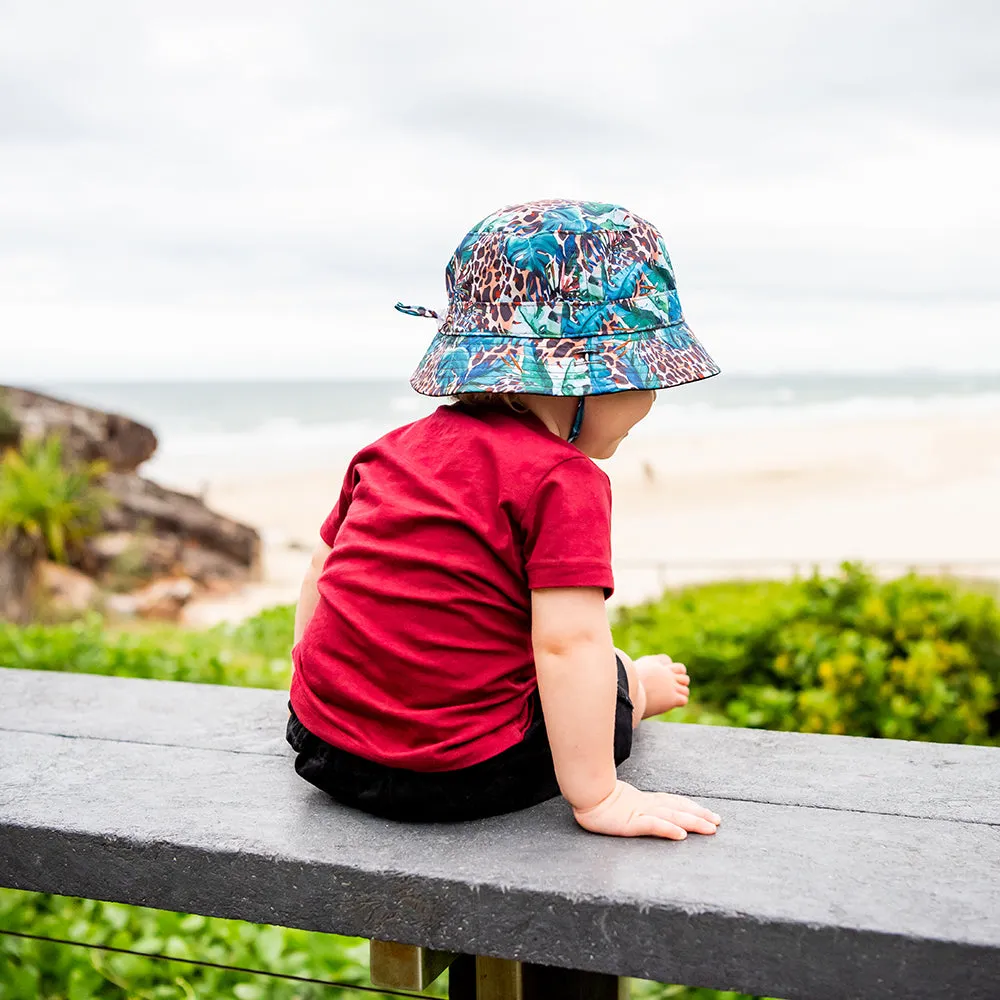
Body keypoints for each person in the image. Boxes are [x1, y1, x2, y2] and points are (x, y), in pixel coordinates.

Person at [287, 198, 723, 840]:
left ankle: (631, 672)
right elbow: (567, 643)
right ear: (584, 380)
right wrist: (600, 798)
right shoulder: (562, 479)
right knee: (603, 678)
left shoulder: (388, 451)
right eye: (648, 378)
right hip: (459, 775)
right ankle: (640, 682)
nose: (654, 398)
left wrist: (329, 701)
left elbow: (322, 575)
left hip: (322, 747)